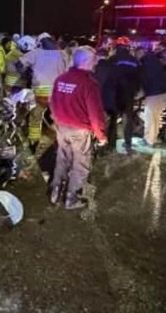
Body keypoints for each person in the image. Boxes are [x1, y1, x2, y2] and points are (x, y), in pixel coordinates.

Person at [49, 46, 108, 210]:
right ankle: (71, 198)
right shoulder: (89, 83)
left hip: (62, 127)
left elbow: (52, 103)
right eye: (94, 60)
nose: (96, 63)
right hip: (79, 130)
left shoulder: (61, 79)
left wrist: (57, 121)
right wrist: (101, 136)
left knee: (62, 159)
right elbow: (95, 114)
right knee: (81, 164)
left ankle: (55, 192)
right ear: (86, 61)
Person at [17, 33, 68, 152]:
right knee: (59, 119)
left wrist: (28, 73)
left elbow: (19, 65)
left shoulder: (35, 53)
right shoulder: (62, 54)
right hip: (58, 94)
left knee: (35, 118)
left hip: (40, 93)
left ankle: (34, 142)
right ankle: (61, 142)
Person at [103, 37, 141, 154]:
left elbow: (107, 76)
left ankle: (110, 145)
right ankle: (128, 144)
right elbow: (139, 77)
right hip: (128, 95)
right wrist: (136, 91)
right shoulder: (134, 60)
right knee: (127, 120)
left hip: (114, 93)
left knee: (113, 120)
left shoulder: (112, 59)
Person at [140, 41, 166, 146]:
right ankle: (154, 137)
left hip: (154, 95)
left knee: (149, 119)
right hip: (163, 93)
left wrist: (140, 95)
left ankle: (149, 140)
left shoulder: (145, 65)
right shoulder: (157, 62)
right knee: (156, 118)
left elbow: (143, 82)